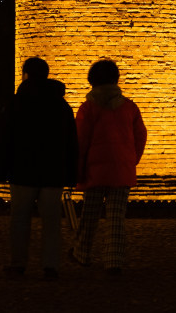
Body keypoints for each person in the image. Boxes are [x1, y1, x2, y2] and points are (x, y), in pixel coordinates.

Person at [0, 57, 77, 280]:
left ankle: (18, 263)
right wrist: (71, 173)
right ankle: (51, 266)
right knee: (51, 221)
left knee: (19, 218)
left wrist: (0, 170)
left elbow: (4, 138)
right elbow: (71, 140)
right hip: (53, 172)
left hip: (22, 171)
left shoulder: (15, 103)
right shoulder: (61, 105)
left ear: (26, 75)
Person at [69, 59, 147, 276]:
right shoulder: (129, 107)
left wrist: (78, 168)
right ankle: (114, 261)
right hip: (121, 170)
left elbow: (80, 140)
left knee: (89, 216)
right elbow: (140, 135)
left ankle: (81, 253)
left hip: (94, 170)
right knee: (116, 219)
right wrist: (131, 159)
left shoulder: (88, 108)